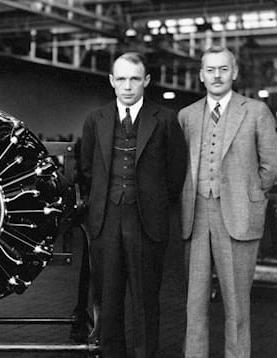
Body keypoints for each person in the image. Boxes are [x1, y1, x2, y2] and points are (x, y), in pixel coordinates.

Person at [80, 52, 187, 358]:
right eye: (122, 78)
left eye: (135, 79)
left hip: (147, 222)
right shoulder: (94, 119)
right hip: (105, 220)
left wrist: (153, 202)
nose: (128, 86)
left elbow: (175, 172)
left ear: (146, 81)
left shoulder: (165, 119)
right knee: (109, 299)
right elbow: (87, 169)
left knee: (145, 300)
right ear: (112, 81)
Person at [179, 46, 277, 358]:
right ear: (201, 76)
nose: (217, 75)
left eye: (223, 69)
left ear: (234, 72)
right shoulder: (186, 116)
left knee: (237, 306)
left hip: (238, 215)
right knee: (194, 305)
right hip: (195, 217)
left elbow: (271, 166)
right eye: (210, 69)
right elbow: (178, 167)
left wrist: (249, 195)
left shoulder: (256, 111)